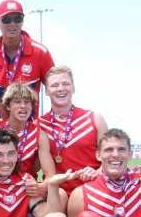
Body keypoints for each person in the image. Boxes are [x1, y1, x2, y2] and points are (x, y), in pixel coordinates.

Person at [38, 66, 107, 195]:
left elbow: (108, 159)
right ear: (46, 91)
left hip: (91, 191)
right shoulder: (39, 125)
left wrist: (96, 173)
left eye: (65, 84)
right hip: (57, 194)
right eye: (54, 85)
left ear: (73, 88)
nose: (60, 89)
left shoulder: (94, 119)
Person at [0, 0, 54, 99]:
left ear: (23, 20)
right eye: (6, 19)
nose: (12, 24)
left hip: (28, 115)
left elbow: (56, 87)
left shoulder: (41, 53)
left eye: (17, 19)